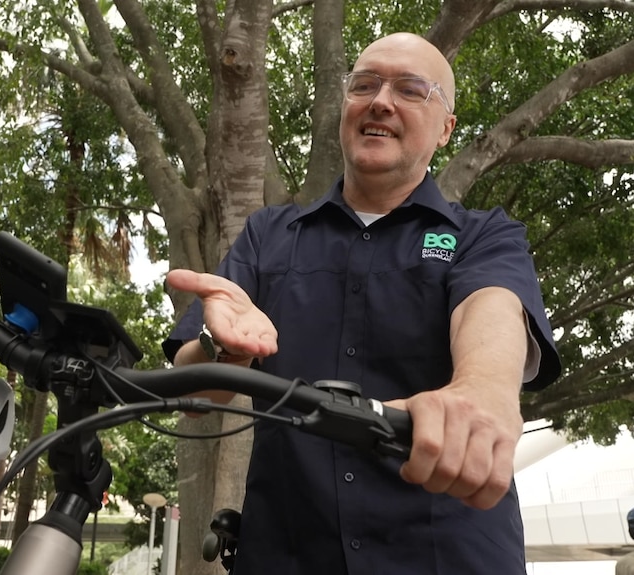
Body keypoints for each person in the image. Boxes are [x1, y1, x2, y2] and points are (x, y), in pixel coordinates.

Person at [161, 32, 562, 574]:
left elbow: (492, 305)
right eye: (364, 85)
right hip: (287, 554)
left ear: (445, 128)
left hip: (449, 559)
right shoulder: (267, 236)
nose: (380, 100)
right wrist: (224, 348)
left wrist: (482, 390)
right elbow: (191, 387)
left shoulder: (485, 236)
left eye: (411, 89)